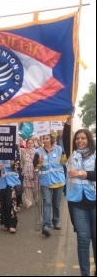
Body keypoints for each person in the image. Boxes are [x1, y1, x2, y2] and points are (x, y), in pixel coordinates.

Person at [63, 116, 96, 276]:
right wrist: (69, 117)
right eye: (77, 138)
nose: (80, 141)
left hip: (95, 200)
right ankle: (85, 274)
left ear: (88, 139)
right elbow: (66, 135)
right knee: (83, 239)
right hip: (77, 202)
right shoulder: (70, 153)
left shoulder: (95, 154)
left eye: (83, 138)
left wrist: (80, 173)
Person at [33, 134, 66, 237]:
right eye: (44, 138)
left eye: (47, 138)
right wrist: (40, 162)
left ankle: (56, 220)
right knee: (47, 203)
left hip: (58, 181)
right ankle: (46, 226)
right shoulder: (38, 151)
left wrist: (66, 157)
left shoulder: (59, 149)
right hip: (45, 182)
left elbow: (64, 162)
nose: (45, 140)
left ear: (51, 139)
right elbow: (36, 167)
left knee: (56, 203)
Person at [0, 159, 21, 233]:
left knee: (11, 204)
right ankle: (5, 223)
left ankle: (12, 224)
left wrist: (12, 164)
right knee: (1, 205)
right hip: (0, 183)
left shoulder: (14, 154)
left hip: (11, 183)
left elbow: (17, 169)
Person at [20, 138, 38, 209]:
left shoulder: (37, 152)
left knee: (35, 188)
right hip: (26, 172)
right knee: (27, 188)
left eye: (31, 143)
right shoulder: (23, 151)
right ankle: (28, 202)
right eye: (28, 143)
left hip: (35, 172)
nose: (30, 144)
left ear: (33, 144)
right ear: (26, 144)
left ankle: (36, 199)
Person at [56, 129, 67, 195]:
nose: (60, 132)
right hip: (59, 157)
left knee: (65, 173)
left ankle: (65, 190)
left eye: (61, 131)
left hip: (65, 156)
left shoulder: (65, 138)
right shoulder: (56, 138)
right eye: (58, 131)